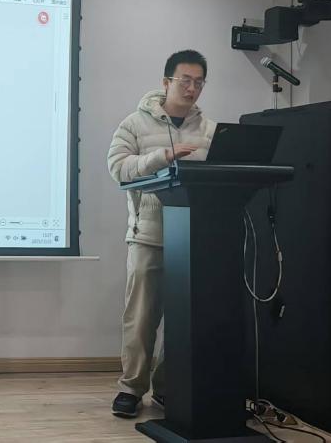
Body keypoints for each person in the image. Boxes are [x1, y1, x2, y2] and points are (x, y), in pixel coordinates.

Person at [107, 50, 216, 418]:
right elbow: (118, 168)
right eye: (185, 80)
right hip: (148, 236)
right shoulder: (134, 123)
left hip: (194, 237)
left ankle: (169, 388)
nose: (192, 88)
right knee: (140, 318)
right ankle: (130, 389)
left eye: (199, 82)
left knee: (183, 320)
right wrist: (163, 156)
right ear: (166, 82)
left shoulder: (209, 130)